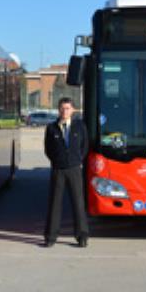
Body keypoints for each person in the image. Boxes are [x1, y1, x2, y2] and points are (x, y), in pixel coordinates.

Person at [43, 97, 89, 248]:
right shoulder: (51, 128)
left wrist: (77, 160)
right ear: (58, 110)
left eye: (68, 108)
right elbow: (48, 150)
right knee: (55, 203)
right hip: (58, 170)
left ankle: (82, 236)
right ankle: (50, 237)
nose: (65, 111)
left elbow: (84, 146)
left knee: (78, 203)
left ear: (73, 110)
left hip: (74, 169)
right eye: (62, 109)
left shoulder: (79, 126)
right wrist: (57, 161)